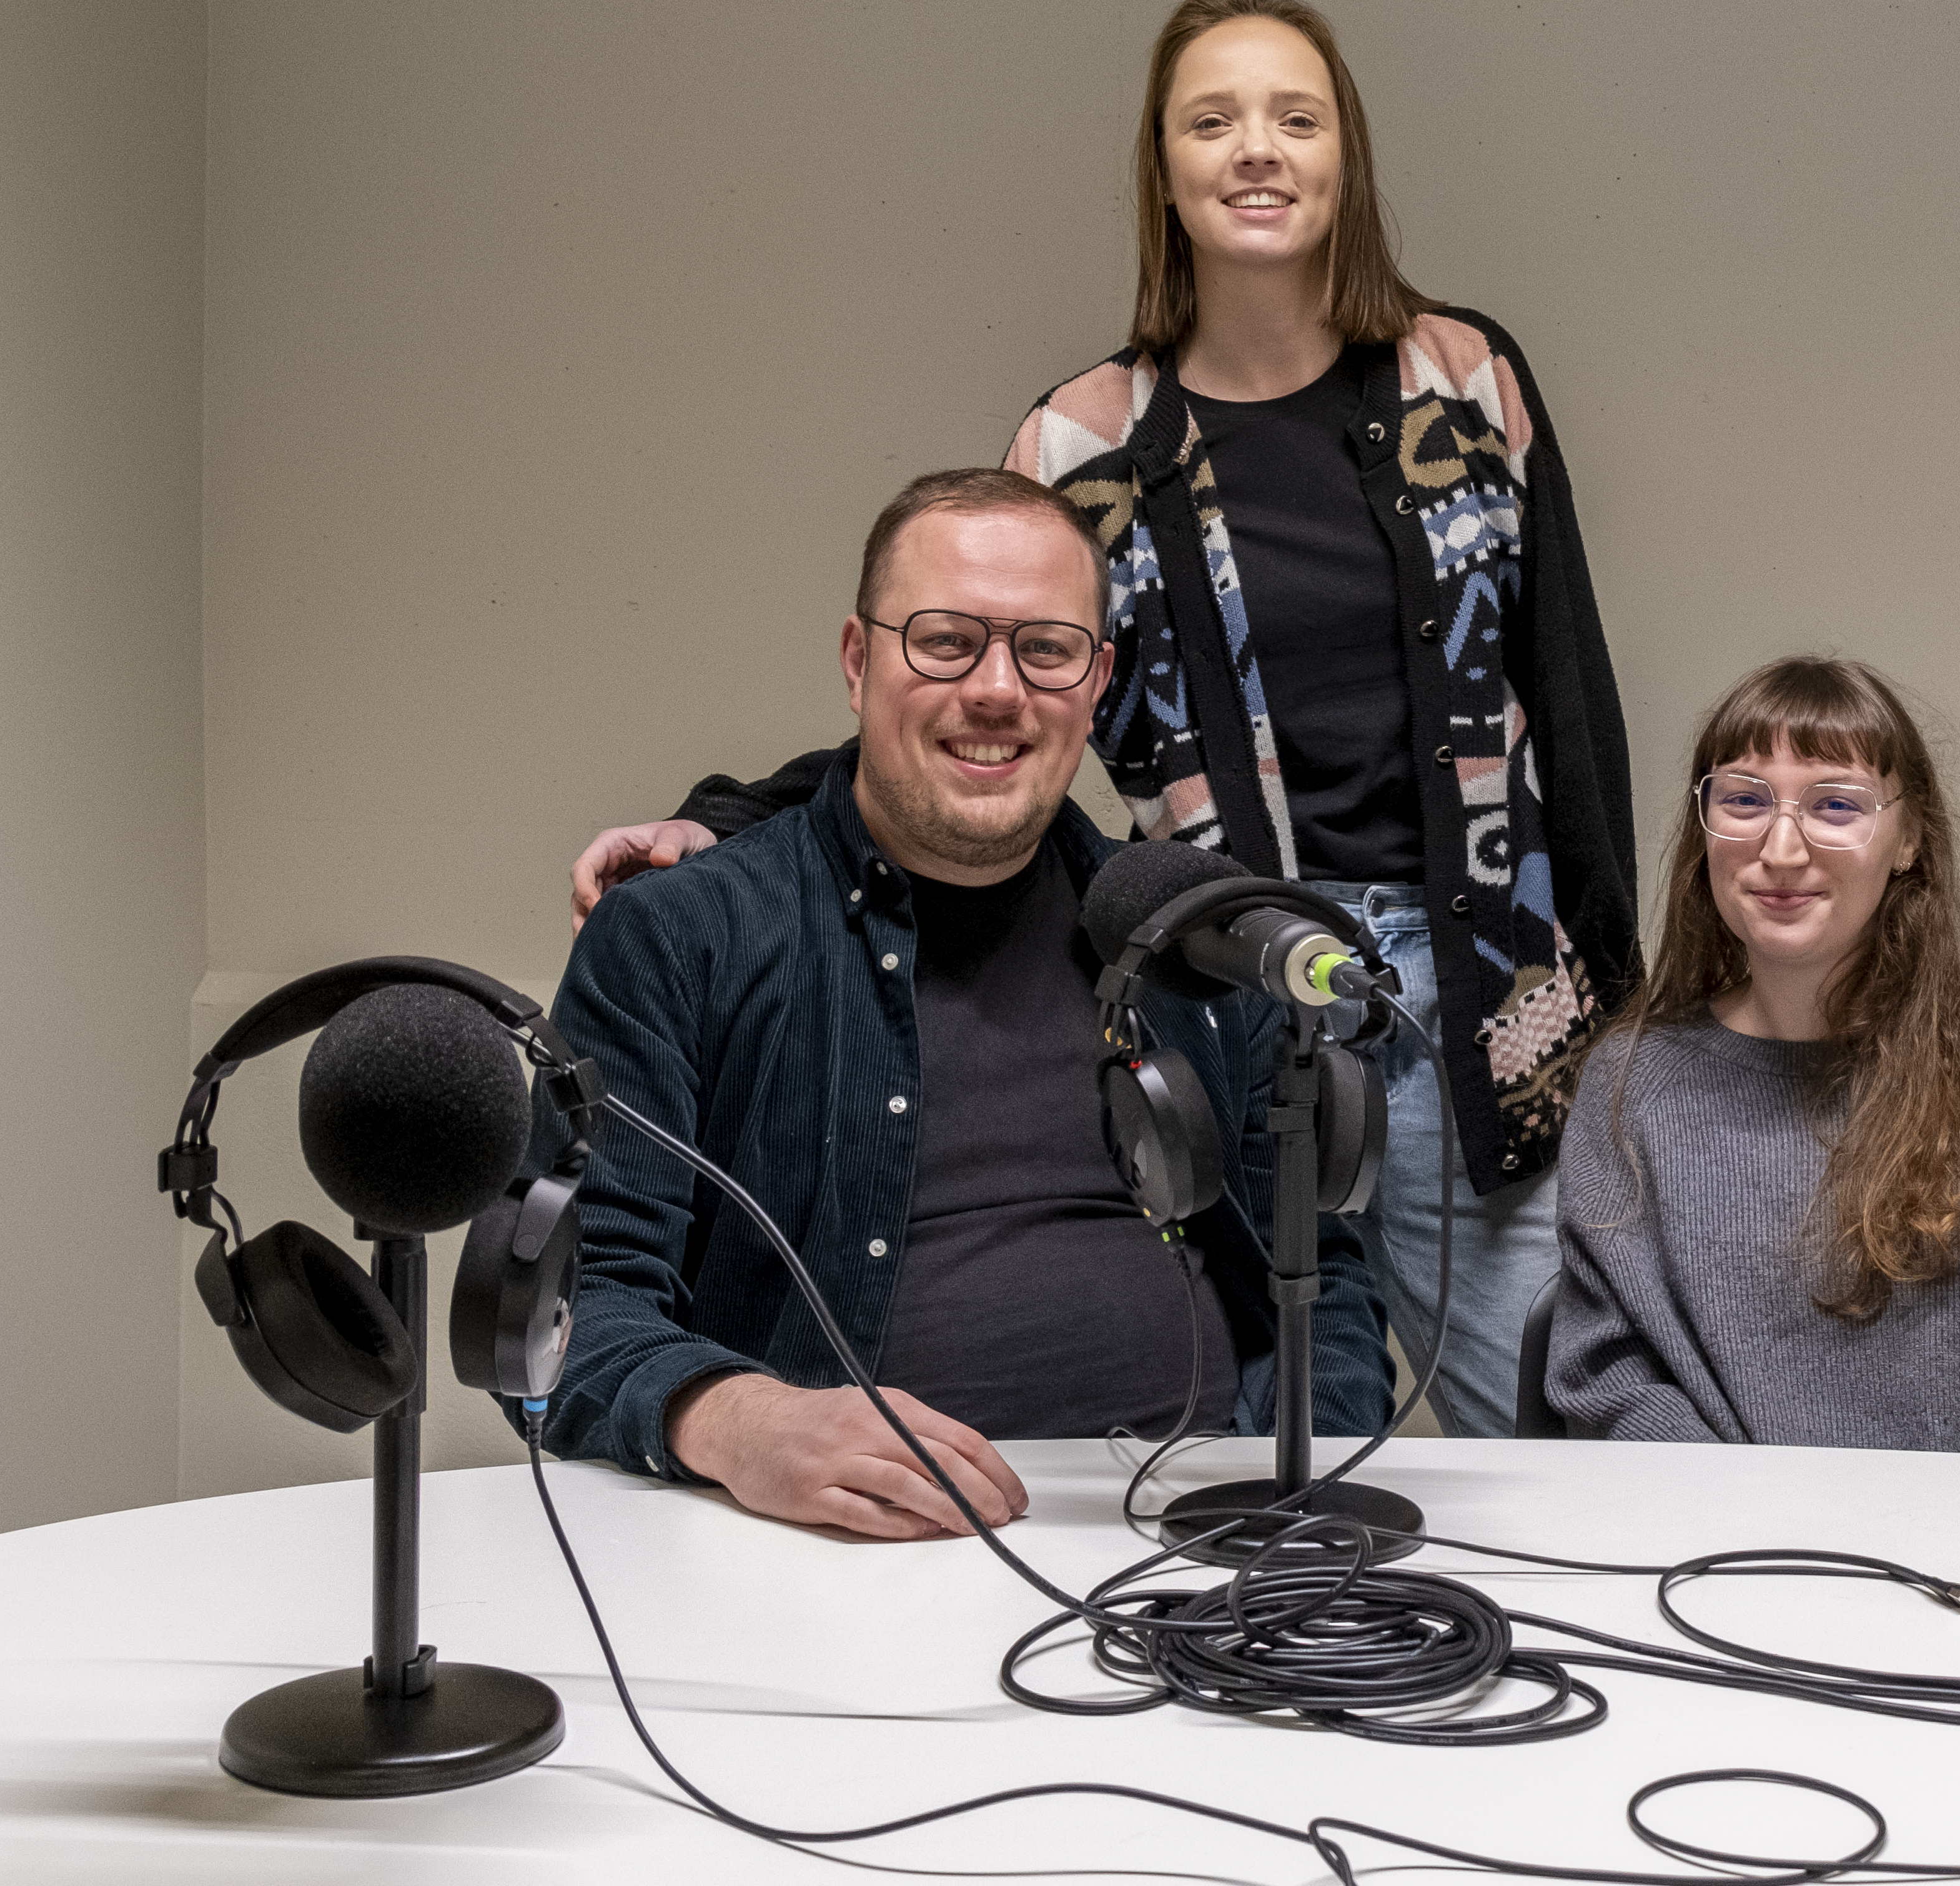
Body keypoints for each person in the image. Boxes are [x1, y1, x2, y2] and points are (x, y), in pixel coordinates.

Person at [564, 0, 1636, 1439]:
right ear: (1166, 165)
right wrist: (723, 822)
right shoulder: (1082, 445)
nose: (1255, 151)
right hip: (1237, 970)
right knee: (1278, 1399)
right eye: (1213, 119)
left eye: (1294, 117)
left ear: (1343, 157)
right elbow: (980, 697)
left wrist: (1634, 995)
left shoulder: (1466, 376)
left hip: (1483, 997)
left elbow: (1568, 697)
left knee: (1550, 1449)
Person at [528, 468, 1393, 1541]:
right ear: (858, 660)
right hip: (827, 1553)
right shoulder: (678, 935)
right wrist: (736, 1420)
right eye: (945, 640)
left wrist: (1298, 1513)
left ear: (1097, 678)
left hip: (1210, 1545)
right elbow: (561, 1307)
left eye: (1046, 648)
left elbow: (1328, 1288)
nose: (997, 689)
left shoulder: (1206, 949)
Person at [1545, 657, 1960, 1461]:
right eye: (1744, 800)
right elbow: (1607, 1379)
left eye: (1836, 805)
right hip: (1737, 1562)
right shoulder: (1632, 1083)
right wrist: (1750, 1535)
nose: (1783, 847)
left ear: (1907, 840)